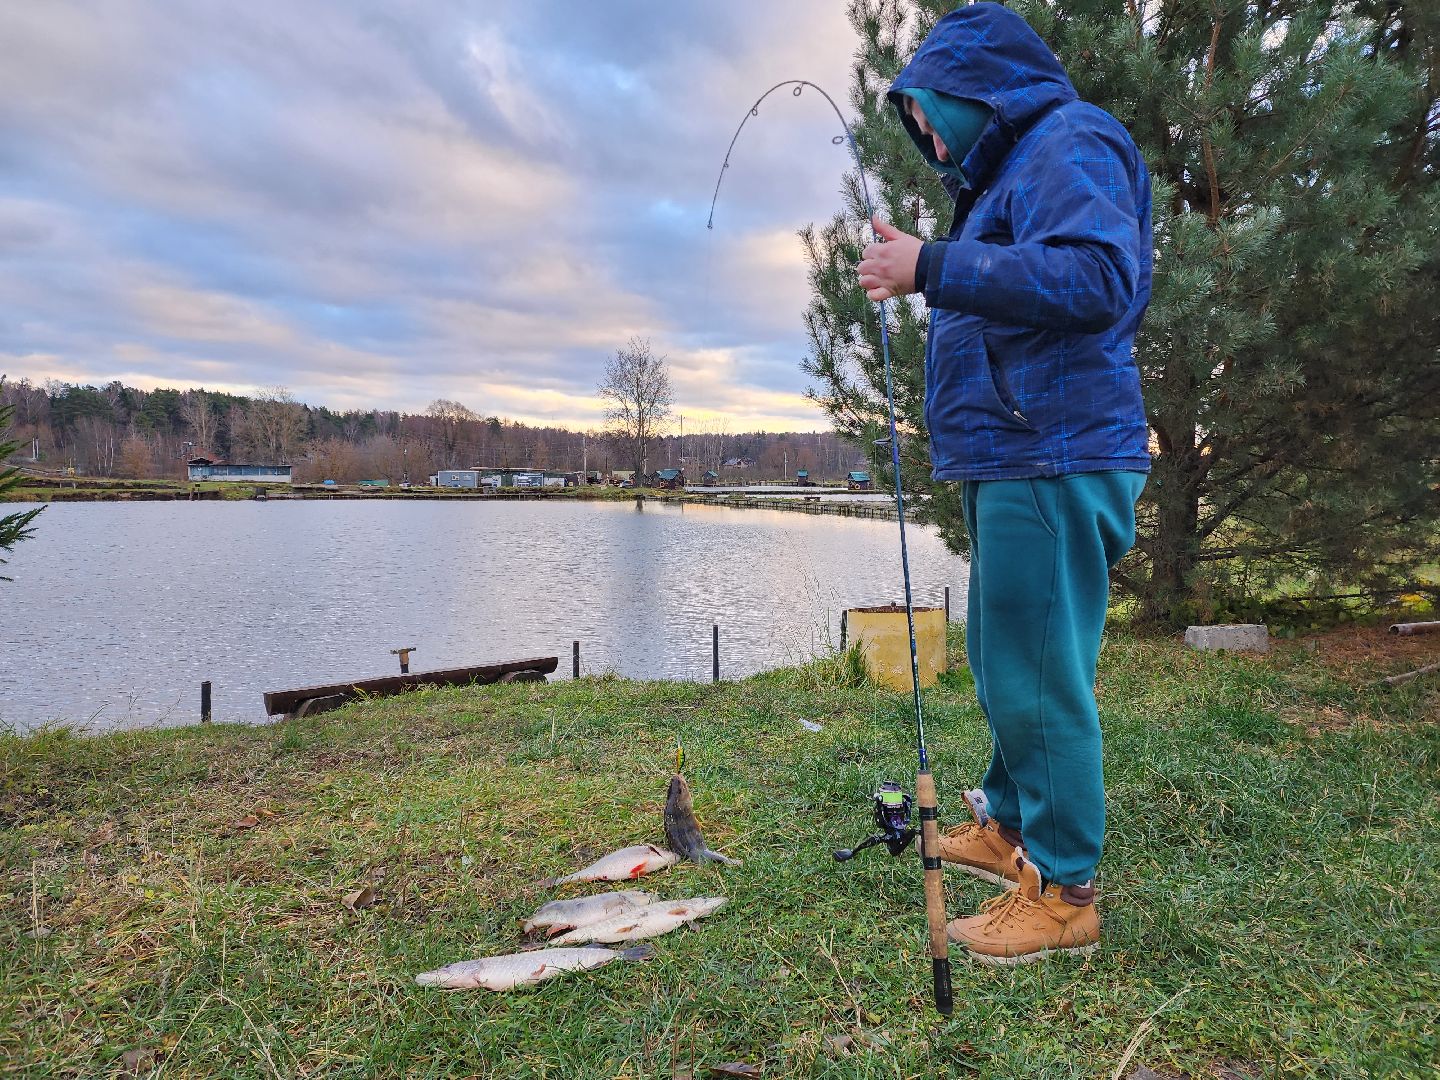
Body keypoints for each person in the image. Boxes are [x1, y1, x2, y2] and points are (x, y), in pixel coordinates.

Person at [856, 2, 1152, 965]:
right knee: (999, 655)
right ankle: (1012, 824)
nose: (927, 135)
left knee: (1037, 674)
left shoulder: (1071, 139)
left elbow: (1098, 279)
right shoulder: (1008, 175)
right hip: (1017, 455)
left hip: (1055, 452)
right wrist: (934, 261)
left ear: (974, 88)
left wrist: (932, 264)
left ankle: (1066, 892)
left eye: (930, 111)